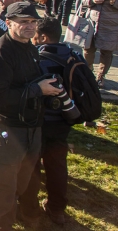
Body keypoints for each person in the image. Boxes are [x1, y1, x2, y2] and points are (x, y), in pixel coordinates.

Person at [0, 2, 65, 231]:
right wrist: (38, 90)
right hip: (7, 130)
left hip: (30, 128)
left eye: (33, 22)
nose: (30, 26)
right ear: (9, 23)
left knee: (18, 188)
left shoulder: (29, 47)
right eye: (23, 22)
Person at [17, 18, 83, 226]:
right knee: (57, 166)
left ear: (43, 37)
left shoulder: (39, 59)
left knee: (32, 167)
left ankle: (29, 210)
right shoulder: (72, 56)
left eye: (35, 35)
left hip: (39, 123)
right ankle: (57, 209)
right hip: (63, 122)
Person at [80, 0, 118, 88]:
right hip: (92, 23)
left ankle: (101, 76)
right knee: (88, 49)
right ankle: (88, 72)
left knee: (106, 52)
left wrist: (115, 2)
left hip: (110, 27)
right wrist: (92, 1)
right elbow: (84, 0)